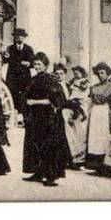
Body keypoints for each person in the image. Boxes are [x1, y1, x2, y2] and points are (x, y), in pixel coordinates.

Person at [22, 53, 72, 186]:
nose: (37, 67)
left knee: (49, 146)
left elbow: (55, 101)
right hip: (36, 118)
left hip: (49, 118)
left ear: (45, 65)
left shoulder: (51, 80)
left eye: (39, 64)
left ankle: (51, 176)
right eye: (35, 64)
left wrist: (33, 102)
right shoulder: (33, 79)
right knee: (36, 144)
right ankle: (38, 172)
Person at [85, 62, 111, 173]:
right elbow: (90, 101)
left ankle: (108, 166)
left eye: (102, 72)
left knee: (105, 139)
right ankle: (97, 166)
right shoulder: (94, 88)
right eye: (98, 73)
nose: (100, 75)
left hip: (105, 114)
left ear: (107, 74)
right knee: (95, 139)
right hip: (95, 114)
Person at [3, 28, 35, 125]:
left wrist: (28, 63)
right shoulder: (10, 48)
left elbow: (33, 62)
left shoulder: (29, 49)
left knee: (24, 96)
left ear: (24, 38)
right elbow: (5, 60)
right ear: (14, 38)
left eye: (21, 36)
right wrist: (5, 56)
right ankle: (13, 118)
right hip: (12, 77)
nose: (19, 38)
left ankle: (24, 118)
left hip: (24, 78)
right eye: (17, 36)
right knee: (12, 96)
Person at [63, 65, 91, 169]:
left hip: (80, 103)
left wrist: (75, 86)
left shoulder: (84, 81)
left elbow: (83, 90)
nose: (75, 75)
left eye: (77, 73)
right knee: (73, 133)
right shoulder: (74, 80)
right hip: (73, 103)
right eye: (74, 73)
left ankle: (80, 159)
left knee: (80, 133)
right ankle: (72, 158)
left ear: (82, 73)